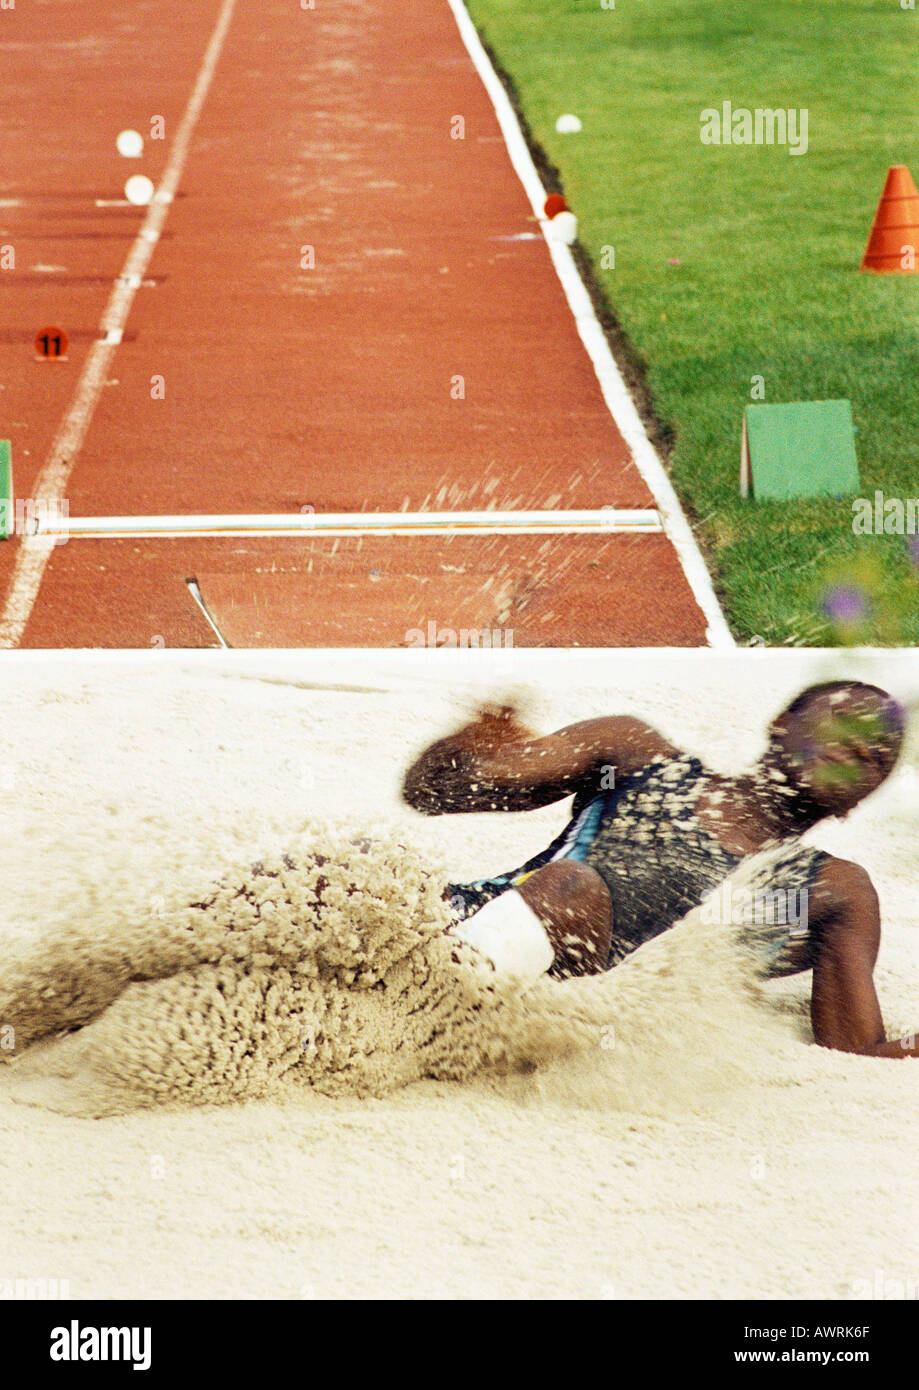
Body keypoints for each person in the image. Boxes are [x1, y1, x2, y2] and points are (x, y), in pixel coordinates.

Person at [402, 680, 918, 1059]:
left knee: (572, 887)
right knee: (353, 873)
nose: (858, 748)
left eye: (877, 755)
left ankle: (412, 1014)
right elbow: (430, 792)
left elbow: (854, 1047)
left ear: (858, 801)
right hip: (465, 922)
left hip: (570, 1015)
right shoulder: (632, 752)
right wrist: (470, 741)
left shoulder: (831, 889)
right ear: (781, 724)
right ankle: (404, 991)